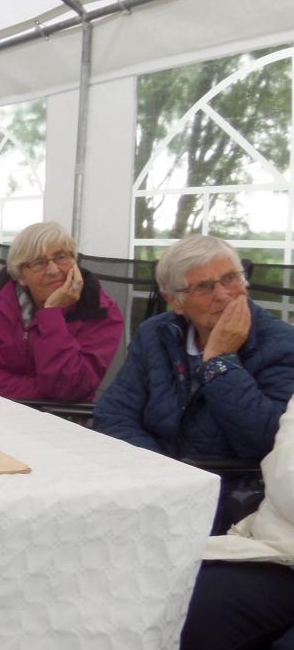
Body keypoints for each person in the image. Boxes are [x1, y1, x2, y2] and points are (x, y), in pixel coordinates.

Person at [94, 235, 294, 530]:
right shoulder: (156, 334)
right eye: (203, 287)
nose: (224, 295)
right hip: (148, 483)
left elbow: (267, 443)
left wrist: (219, 362)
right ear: (175, 301)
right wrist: (162, 472)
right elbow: (114, 414)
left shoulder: (281, 344)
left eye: (230, 278)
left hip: (227, 500)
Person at [0, 221, 123, 402]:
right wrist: (39, 392)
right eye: (39, 262)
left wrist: (51, 313)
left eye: (61, 257)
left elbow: (68, 388)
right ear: (21, 276)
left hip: (59, 421)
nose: (53, 270)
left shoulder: (99, 310)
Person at [179, 394, 294, 649]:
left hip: (215, 481)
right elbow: (286, 480)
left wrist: (220, 365)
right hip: (278, 550)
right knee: (191, 609)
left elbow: (256, 434)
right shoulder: (157, 351)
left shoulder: (273, 356)